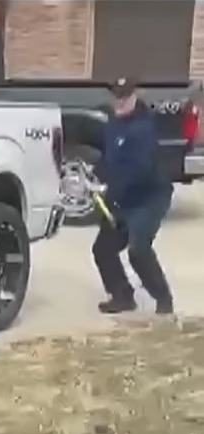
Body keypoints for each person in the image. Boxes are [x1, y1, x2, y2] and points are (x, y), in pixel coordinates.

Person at [92, 77, 174, 315]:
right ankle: (122, 296)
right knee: (103, 248)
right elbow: (109, 160)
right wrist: (95, 177)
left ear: (135, 96)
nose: (120, 101)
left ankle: (163, 299)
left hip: (150, 197)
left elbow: (138, 170)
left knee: (138, 250)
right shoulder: (113, 124)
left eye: (125, 97)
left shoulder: (143, 128)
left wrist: (111, 193)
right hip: (123, 197)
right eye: (117, 96)